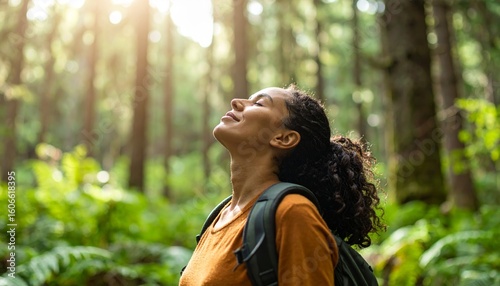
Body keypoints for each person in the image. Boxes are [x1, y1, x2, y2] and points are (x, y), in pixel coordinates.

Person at [179, 84, 385, 285]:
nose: (236, 102)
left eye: (258, 103)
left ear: (284, 138)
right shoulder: (218, 216)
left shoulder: (292, 213)